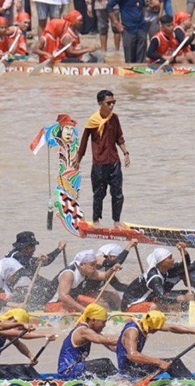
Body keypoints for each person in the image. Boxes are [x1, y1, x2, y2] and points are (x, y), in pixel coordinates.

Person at [73, 90, 130, 230]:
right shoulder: (92, 121)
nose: (112, 106)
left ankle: (116, 221)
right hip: (99, 163)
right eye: (108, 103)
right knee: (99, 193)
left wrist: (126, 153)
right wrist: (78, 158)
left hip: (114, 162)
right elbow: (84, 141)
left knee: (118, 193)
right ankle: (96, 219)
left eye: (113, 103)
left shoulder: (114, 118)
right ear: (100, 104)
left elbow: (119, 137)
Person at [117, 310, 195, 378]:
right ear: (152, 327)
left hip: (137, 366)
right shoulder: (133, 331)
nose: (158, 330)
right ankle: (191, 384)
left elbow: (171, 328)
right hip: (129, 372)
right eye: (157, 329)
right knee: (174, 363)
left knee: (173, 362)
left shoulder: (145, 323)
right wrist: (159, 362)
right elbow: (132, 355)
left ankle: (187, 380)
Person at [122, 243, 195, 312]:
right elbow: (162, 297)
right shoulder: (155, 277)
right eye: (170, 258)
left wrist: (183, 250)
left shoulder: (165, 270)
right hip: (130, 306)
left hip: (145, 300)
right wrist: (181, 298)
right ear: (162, 262)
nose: (173, 259)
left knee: (171, 305)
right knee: (161, 306)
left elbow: (186, 265)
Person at [45, 249, 122, 313]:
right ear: (81, 264)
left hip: (72, 300)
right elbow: (63, 296)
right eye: (92, 265)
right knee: (97, 306)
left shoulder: (87, 271)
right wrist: (83, 309)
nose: (94, 267)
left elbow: (105, 276)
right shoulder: (69, 274)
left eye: (95, 264)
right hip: (54, 304)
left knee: (103, 303)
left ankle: (118, 313)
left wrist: (112, 269)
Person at [57, 303, 119, 379]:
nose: (104, 325)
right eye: (103, 322)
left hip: (77, 369)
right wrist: (125, 339)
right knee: (106, 363)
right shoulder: (83, 330)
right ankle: (121, 381)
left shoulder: (92, 332)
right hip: (68, 372)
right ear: (93, 320)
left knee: (104, 371)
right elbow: (103, 340)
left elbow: (113, 347)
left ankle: (119, 380)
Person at [5, 231, 66, 298]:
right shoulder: (17, 256)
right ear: (23, 247)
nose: (34, 250)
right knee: (39, 291)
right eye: (32, 247)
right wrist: (59, 249)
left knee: (52, 287)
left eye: (34, 246)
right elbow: (44, 262)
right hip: (6, 291)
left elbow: (35, 278)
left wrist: (54, 286)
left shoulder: (24, 258)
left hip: (14, 287)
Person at [0, 309, 57, 380]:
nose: (18, 330)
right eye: (18, 328)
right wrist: (44, 335)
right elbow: (17, 333)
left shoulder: (5, 332)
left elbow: (18, 344)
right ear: (13, 320)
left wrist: (31, 357)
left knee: (23, 370)